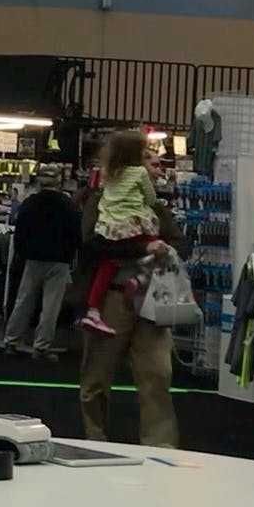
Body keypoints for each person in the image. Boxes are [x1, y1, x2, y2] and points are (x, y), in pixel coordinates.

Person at [72, 186, 186, 447]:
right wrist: (144, 247)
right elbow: (92, 244)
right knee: (97, 374)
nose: (153, 171)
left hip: (151, 297)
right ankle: (95, 438)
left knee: (157, 373)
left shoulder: (153, 204)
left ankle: (161, 446)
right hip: (110, 297)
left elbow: (179, 242)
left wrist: (161, 251)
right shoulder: (101, 200)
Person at [81, 130, 166, 335]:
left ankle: (93, 310)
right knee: (158, 250)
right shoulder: (139, 173)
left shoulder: (107, 174)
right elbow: (151, 199)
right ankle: (139, 279)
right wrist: (144, 247)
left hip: (108, 226)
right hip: (134, 225)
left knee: (108, 264)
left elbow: (93, 242)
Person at [2, 174, 82, 360]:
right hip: (59, 260)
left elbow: (20, 231)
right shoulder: (68, 204)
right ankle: (41, 346)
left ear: (39, 183)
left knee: (24, 300)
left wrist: (23, 253)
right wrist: (70, 255)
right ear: (58, 183)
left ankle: (11, 340)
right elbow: (76, 234)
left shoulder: (30, 203)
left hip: (34, 258)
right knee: (51, 306)